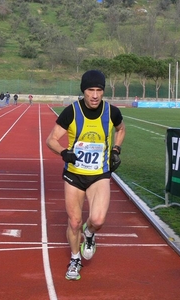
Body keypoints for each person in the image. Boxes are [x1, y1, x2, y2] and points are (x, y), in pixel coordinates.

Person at [46, 70, 126, 281]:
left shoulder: (112, 112)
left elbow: (121, 129)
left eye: (99, 90)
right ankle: (75, 259)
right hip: (74, 175)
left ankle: (89, 233)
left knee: (97, 219)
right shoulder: (71, 112)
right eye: (90, 90)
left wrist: (116, 150)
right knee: (74, 222)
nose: (95, 95)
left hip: (99, 174)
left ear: (103, 92)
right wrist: (64, 153)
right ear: (83, 91)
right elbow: (51, 140)